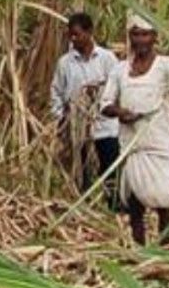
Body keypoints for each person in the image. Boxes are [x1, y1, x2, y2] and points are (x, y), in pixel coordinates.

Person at [100, 13, 169, 247]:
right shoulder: (120, 70)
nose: (140, 40)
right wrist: (121, 112)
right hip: (132, 147)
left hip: (158, 145)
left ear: (155, 37)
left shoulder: (167, 67)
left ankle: (165, 247)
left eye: (145, 35)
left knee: (164, 200)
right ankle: (139, 248)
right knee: (135, 204)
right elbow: (105, 105)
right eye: (135, 34)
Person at [49, 12, 120, 203]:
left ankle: (113, 207)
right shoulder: (65, 63)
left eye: (77, 34)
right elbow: (56, 92)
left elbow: (118, 87)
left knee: (110, 171)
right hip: (77, 129)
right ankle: (83, 206)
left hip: (106, 127)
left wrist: (99, 94)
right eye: (70, 35)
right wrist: (60, 118)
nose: (73, 39)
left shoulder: (107, 59)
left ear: (89, 32)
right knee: (82, 174)